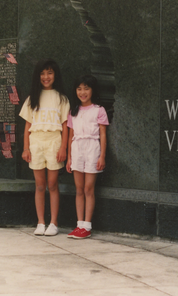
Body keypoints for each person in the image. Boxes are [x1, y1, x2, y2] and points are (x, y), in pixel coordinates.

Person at [19, 59, 70, 236]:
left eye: (49, 73)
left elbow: (65, 126)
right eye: (42, 73)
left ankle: (53, 223)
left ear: (55, 75)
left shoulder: (61, 98)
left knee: (52, 183)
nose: (46, 77)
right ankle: (41, 222)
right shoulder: (32, 98)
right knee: (40, 185)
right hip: (36, 142)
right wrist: (26, 148)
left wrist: (63, 147)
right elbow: (27, 126)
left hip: (54, 141)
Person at [66, 75, 109, 239]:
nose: (82, 92)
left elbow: (103, 135)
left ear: (92, 90)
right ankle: (79, 225)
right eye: (79, 89)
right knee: (79, 189)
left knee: (88, 189)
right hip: (77, 149)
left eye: (86, 88)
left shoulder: (98, 110)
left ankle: (87, 226)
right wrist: (69, 158)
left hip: (92, 148)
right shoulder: (73, 111)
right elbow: (71, 135)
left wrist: (102, 156)